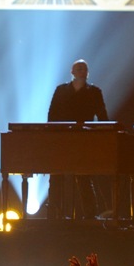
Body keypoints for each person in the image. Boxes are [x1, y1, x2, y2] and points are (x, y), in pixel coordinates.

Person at [47, 60, 109, 219]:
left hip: (84, 140)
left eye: (84, 68)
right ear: (72, 72)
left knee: (84, 177)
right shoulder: (61, 90)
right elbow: (52, 115)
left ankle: (89, 215)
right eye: (78, 68)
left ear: (87, 72)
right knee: (56, 176)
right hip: (62, 140)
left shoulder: (95, 92)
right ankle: (54, 214)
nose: (81, 70)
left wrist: (102, 136)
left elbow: (103, 117)